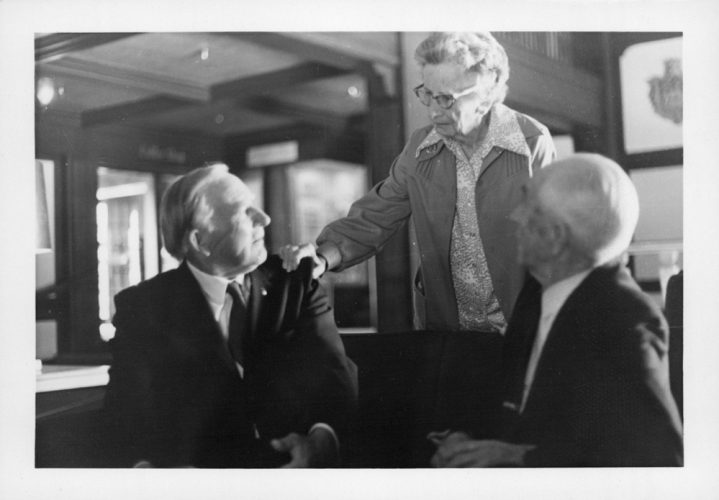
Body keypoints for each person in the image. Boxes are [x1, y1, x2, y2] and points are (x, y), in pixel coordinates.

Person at [280, 32, 556, 332]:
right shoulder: (420, 149)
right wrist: (321, 257)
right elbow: (375, 216)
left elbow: (553, 238)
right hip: (446, 330)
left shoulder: (530, 143)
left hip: (518, 329)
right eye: (427, 94)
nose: (434, 111)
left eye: (447, 99)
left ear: (487, 92)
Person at [429, 153, 683, 467]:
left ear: (555, 237)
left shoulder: (623, 317)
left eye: (527, 205)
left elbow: (656, 457)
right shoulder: (536, 293)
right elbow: (515, 403)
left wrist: (522, 459)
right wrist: (464, 436)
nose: (514, 216)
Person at [103, 164, 358, 468]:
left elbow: (335, 378)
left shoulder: (295, 283)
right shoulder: (144, 307)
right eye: (243, 211)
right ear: (201, 241)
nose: (264, 218)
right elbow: (126, 414)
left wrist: (322, 443)